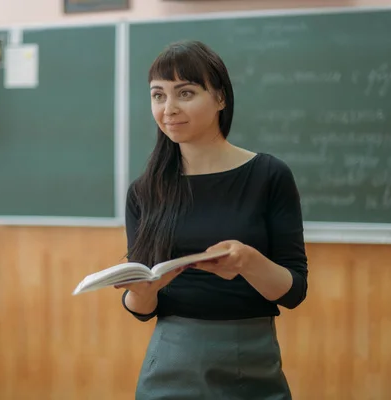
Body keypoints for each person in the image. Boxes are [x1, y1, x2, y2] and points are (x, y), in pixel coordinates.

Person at [115, 40, 309, 399]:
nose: (168, 109)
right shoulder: (144, 191)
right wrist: (140, 293)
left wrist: (248, 262)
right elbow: (141, 310)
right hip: (171, 357)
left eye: (185, 93)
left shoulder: (269, 175)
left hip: (252, 358)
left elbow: (294, 291)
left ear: (220, 98)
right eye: (158, 95)